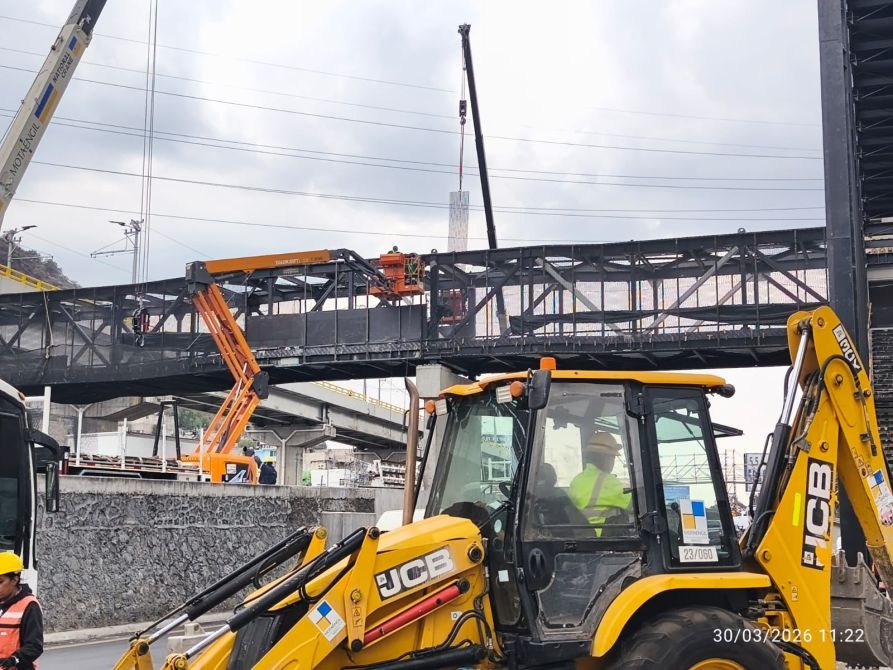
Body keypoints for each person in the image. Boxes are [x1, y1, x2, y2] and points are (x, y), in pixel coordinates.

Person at [568, 431, 632, 531]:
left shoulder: (576, 481)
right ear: (604, 457)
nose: (613, 462)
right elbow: (635, 506)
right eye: (613, 457)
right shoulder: (609, 481)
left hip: (581, 536)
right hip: (605, 537)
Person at [0, 552, 43, 669]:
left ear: (14, 580)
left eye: (0, 582)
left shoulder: (29, 605)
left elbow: (34, 646)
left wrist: (14, 659)